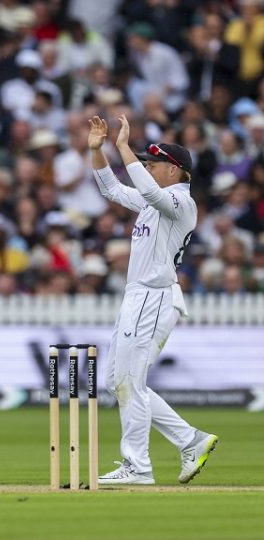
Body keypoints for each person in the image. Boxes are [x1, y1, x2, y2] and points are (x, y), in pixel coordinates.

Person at [88, 115, 217, 485]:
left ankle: (137, 467)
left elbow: (145, 189)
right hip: (140, 297)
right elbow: (111, 189)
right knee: (123, 381)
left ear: (174, 172)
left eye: (153, 164)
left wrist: (123, 147)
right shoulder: (154, 203)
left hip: (153, 297)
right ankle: (191, 440)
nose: (145, 168)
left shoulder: (180, 203)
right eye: (144, 163)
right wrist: (98, 151)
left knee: (128, 381)